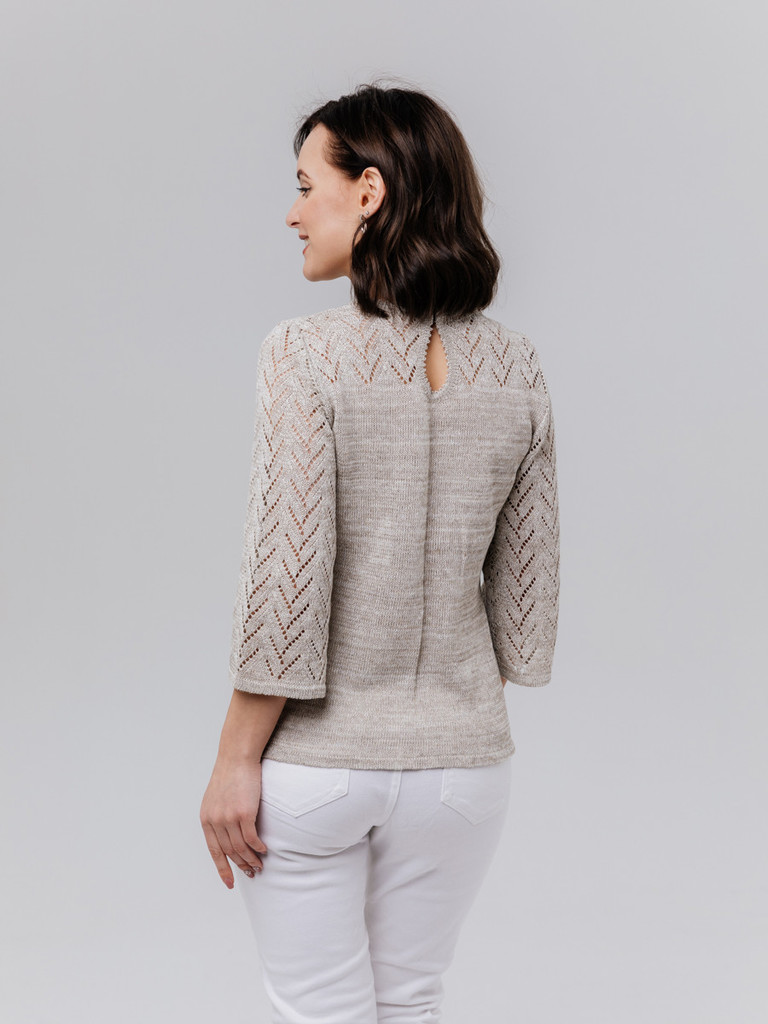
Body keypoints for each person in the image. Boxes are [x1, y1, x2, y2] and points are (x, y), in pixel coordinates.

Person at [200, 81, 560, 1024]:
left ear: (368, 192)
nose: (292, 213)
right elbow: (525, 609)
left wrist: (235, 760)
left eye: (304, 186)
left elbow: (287, 578)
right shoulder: (517, 365)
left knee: (318, 1010)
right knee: (412, 1002)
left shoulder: (304, 354)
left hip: (321, 766)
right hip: (464, 773)